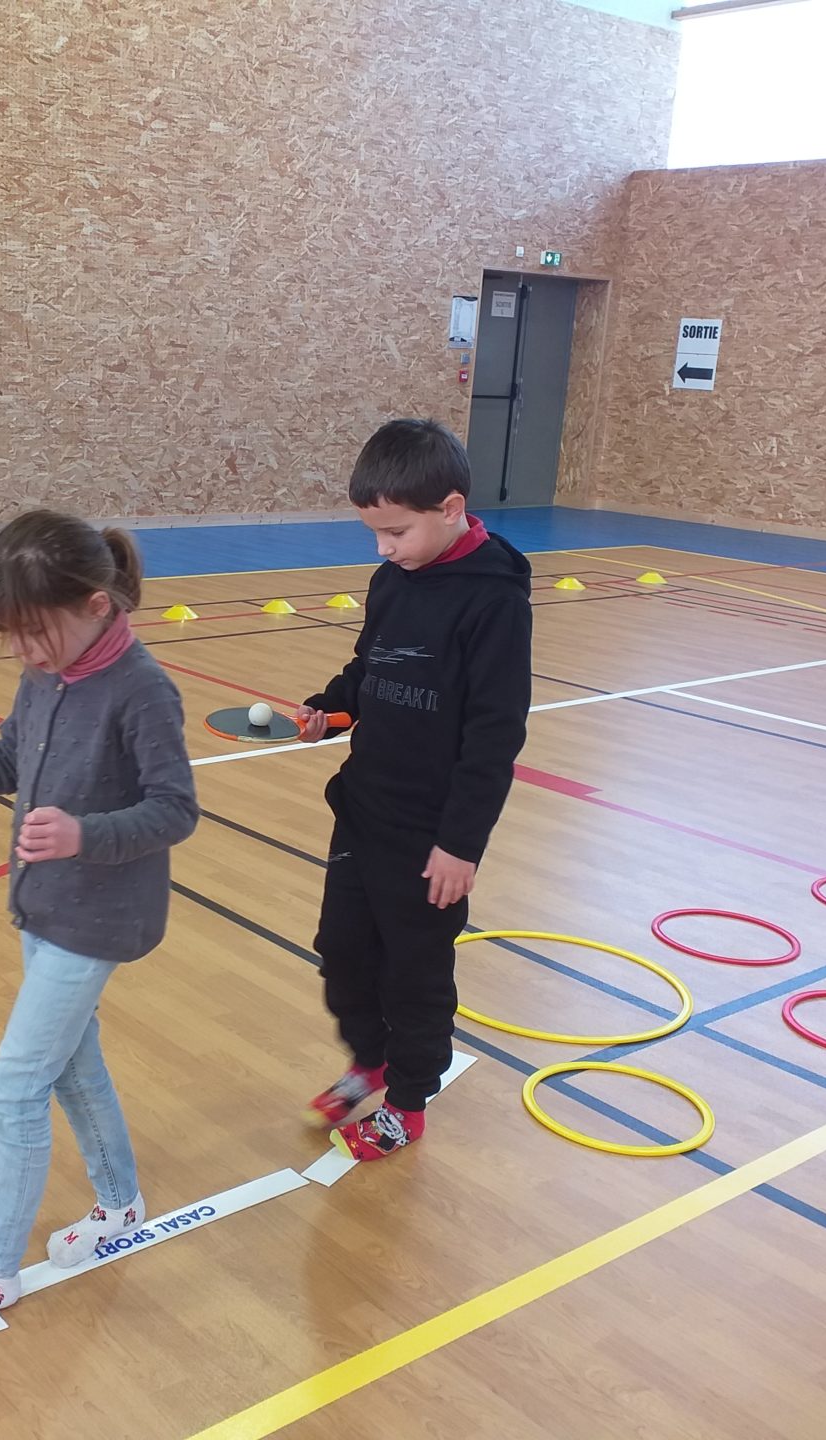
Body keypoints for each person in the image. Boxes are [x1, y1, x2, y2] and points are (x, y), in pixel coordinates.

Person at [0, 509, 198, 1330]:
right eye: (10, 635)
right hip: (47, 905)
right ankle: (120, 1205)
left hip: (99, 917)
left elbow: (175, 809)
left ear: (95, 605)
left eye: (32, 631)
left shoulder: (143, 690)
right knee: (72, 1067)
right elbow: (9, 757)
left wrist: (85, 834)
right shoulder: (47, 671)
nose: (21, 649)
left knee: (16, 1085)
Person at [296, 418, 532, 1161]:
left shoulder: (494, 601)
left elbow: (495, 735)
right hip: (365, 807)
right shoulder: (392, 580)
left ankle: (406, 1102)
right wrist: (332, 709)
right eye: (375, 532)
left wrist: (460, 844)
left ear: (451, 508)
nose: (383, 548)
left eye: (395, 532)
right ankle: (371, 1060)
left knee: (414, 974)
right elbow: (371, 667)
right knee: (341, 951)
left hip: (432, 836)